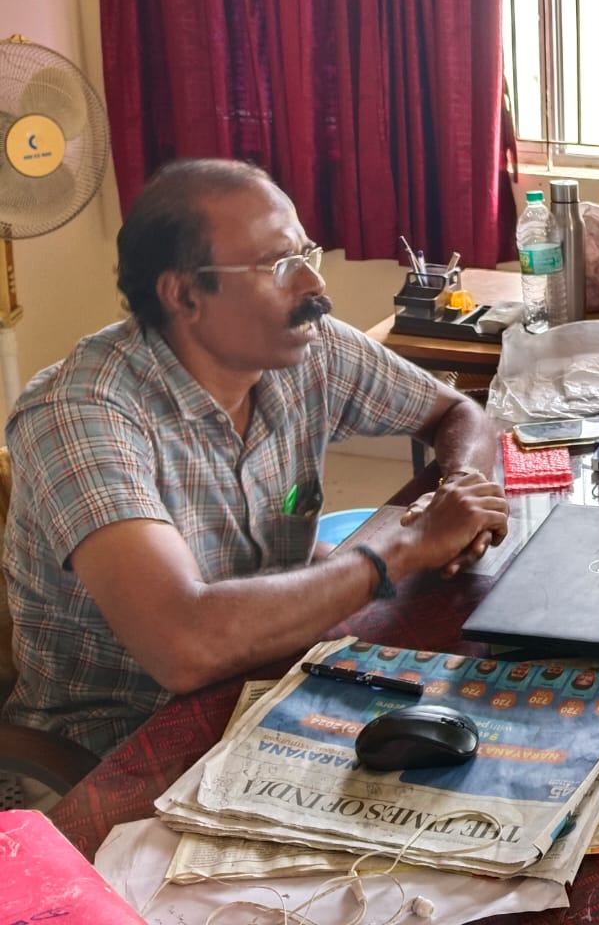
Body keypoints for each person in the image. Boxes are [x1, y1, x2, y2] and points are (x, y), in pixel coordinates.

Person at [2, 159, 510, 756]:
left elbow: (458, 412)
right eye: (279, 266)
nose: (315, 288)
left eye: (307, 255)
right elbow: (184, 646)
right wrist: (404, 548)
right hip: (117, 747)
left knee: (498, 709)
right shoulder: (82, 414)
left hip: (272, 682)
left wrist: (461, 492)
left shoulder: (306, 349)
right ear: (184, 293)